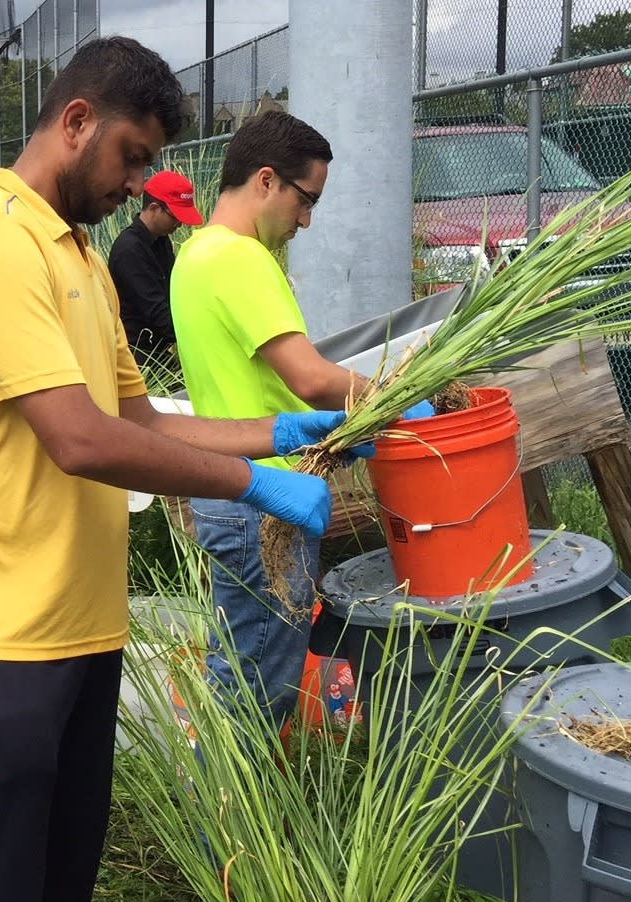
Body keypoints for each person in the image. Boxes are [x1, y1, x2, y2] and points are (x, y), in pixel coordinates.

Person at [0, 38, 366, 902]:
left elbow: (141, 421)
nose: (138, 182)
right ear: (77, 122)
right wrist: (253, 487)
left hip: (81, 620)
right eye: (133, 157)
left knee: (66, 870)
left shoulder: (80, 257)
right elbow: (79, 439)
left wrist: (279, 431)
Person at [168, 110, 434, 730]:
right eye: (306, 199)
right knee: (259, 691)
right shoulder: (240, 259)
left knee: (241, 670)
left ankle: (226, 813)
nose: (307, 219)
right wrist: (394, 398)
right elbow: (310, 378)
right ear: (267, 181)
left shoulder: (195, 256)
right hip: (265, 501)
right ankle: (230, 827)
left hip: (232, 490)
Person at [107, 169, 204, 369]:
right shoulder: (129, 250)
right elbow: (157, 312)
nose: (179, 224)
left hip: (159, 352)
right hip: (136, 358)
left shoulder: (161, 241)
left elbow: (175, 292)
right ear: (153, 208)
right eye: (175, 217)